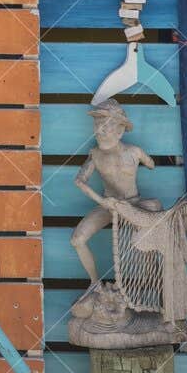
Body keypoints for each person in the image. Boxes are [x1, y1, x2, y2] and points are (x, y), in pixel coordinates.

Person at [71, 97, 160, 281]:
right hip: (108, 207)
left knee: (151, 226)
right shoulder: (95, 155)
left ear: (120, 131)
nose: (99, 131)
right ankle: (96, 284)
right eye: (96, 126)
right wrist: (102, 201)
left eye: (105, 126)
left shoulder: (134, 151)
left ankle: (151, 280)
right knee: (77, 240)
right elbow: (79, 181)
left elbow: (151, 164)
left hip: (134, 205)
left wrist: (144, 161)